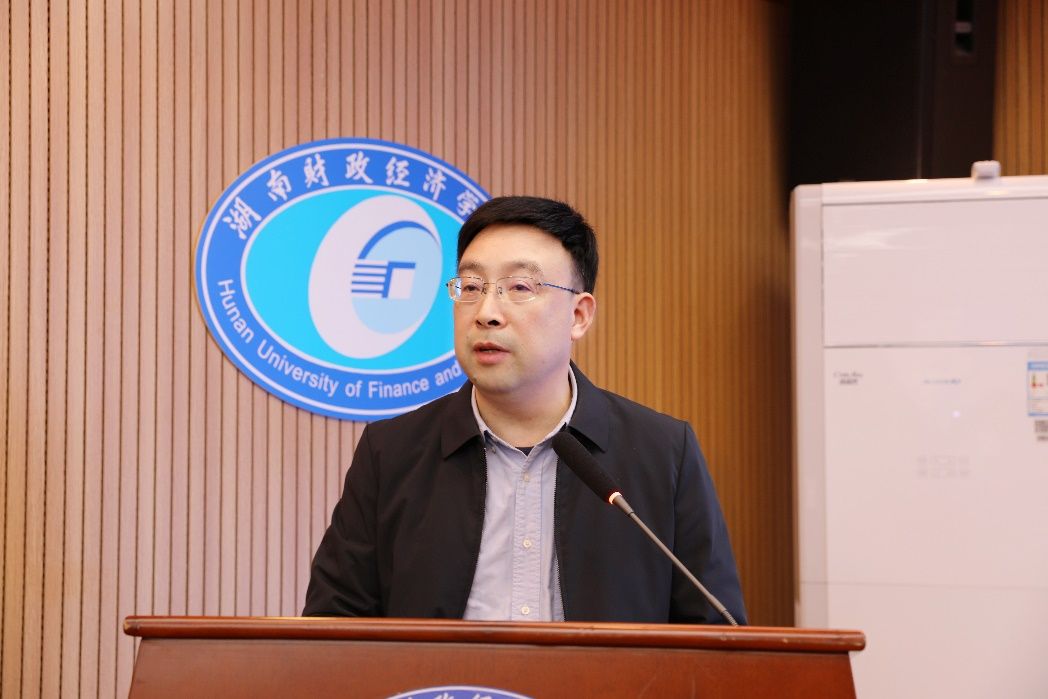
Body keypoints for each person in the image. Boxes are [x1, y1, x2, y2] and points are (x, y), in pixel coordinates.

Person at [304, 196, 746, 624]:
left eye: (519, 288)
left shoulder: (663, 454)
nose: (487, 313)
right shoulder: (392, 453)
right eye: (471, 287)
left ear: (579, 315)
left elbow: (715, 637)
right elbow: (333, 631)